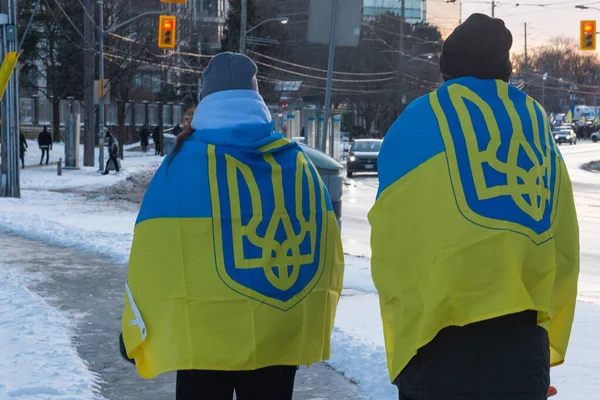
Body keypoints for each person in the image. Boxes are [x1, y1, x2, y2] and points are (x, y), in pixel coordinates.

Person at [369, 14, 579, 400]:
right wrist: (541, 343)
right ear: (507, 71)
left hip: (437, 344)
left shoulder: (418, 121)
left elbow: (390, 240)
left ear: (447, 68)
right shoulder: (536, 127)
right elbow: (563, 247)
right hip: (521, 345)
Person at [119, 52, 344, 400]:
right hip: (277, 334)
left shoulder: (180, 165)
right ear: (257, 99)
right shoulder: (298, 162)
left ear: (206, 100)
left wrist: (136, 326)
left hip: (203, 339)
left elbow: (154, 252)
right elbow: (325, 245)